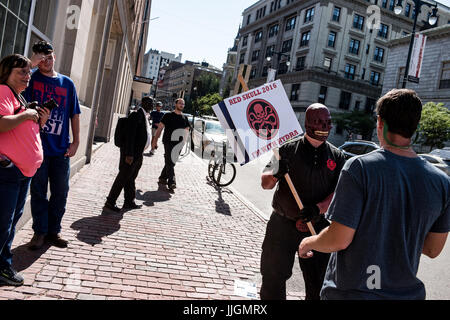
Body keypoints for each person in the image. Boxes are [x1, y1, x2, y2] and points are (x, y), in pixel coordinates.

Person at [299, 89, 450, 300]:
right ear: (415, 126)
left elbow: (338, 239)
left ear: (380, 122)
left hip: (353, 293)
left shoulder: (360, 168)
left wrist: (309, 242)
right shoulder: (442, 182)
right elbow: (433, 249)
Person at [260, 103, 346, 300]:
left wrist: (319, 208)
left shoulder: (338, 156)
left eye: (328, 122)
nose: (324, 127)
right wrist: (275, 173)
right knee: (272, 278)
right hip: (282, 226)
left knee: (318, 283)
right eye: (318, 121)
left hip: (318, 229)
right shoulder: (286, 149)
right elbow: (265, 183)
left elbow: (338, 192)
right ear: (307, 123)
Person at [23, 41, 81, 250]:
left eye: (49, 57)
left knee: (60, 191)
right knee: (38, 191)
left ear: (54, 57)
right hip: (37, 148)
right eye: (41, 58)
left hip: (61, 149)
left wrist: (76, 142)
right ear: (36, 60)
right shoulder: (30, 79)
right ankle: (39, 232)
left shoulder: (67, 84)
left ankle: (53, 231)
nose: (46, 62)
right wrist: (31, 65)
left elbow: (74, 114)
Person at [0, 54, 50, 286]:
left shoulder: (18, 95)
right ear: (6, 73)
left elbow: (20, 130)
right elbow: (1, 123)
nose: (27, 75)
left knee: (9, 223)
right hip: (8, 172)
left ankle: (3, 266)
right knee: (3, 223)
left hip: (21, 173)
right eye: (21, 71)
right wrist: (26, 114)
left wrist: (38, 120)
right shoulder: (2, 91)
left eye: (29, 71)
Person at [104, 96, 154, 212]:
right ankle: (110, 201)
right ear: (143, 103)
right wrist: (129, 154)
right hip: (131, 154)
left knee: (130, 178)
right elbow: (130, 136)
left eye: (152, 102)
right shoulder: (136, 115)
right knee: (122, 178)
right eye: (149, 102)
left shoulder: (145, 116)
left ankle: (129, 201)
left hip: (138, 153)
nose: (151, 105)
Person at [152, 98, 190, 191]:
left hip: (179, 144)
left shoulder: (185, 118)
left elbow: (186, 131)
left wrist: (184, 143)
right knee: (170, 161)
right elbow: (160, 128)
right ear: (176, 104)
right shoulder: (168, 115)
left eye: (183, 104)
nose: (182, 105)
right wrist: (155, 140)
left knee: (172, 162)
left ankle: (162, 177)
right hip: (168, 142)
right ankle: (172, 182)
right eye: (180, 103)